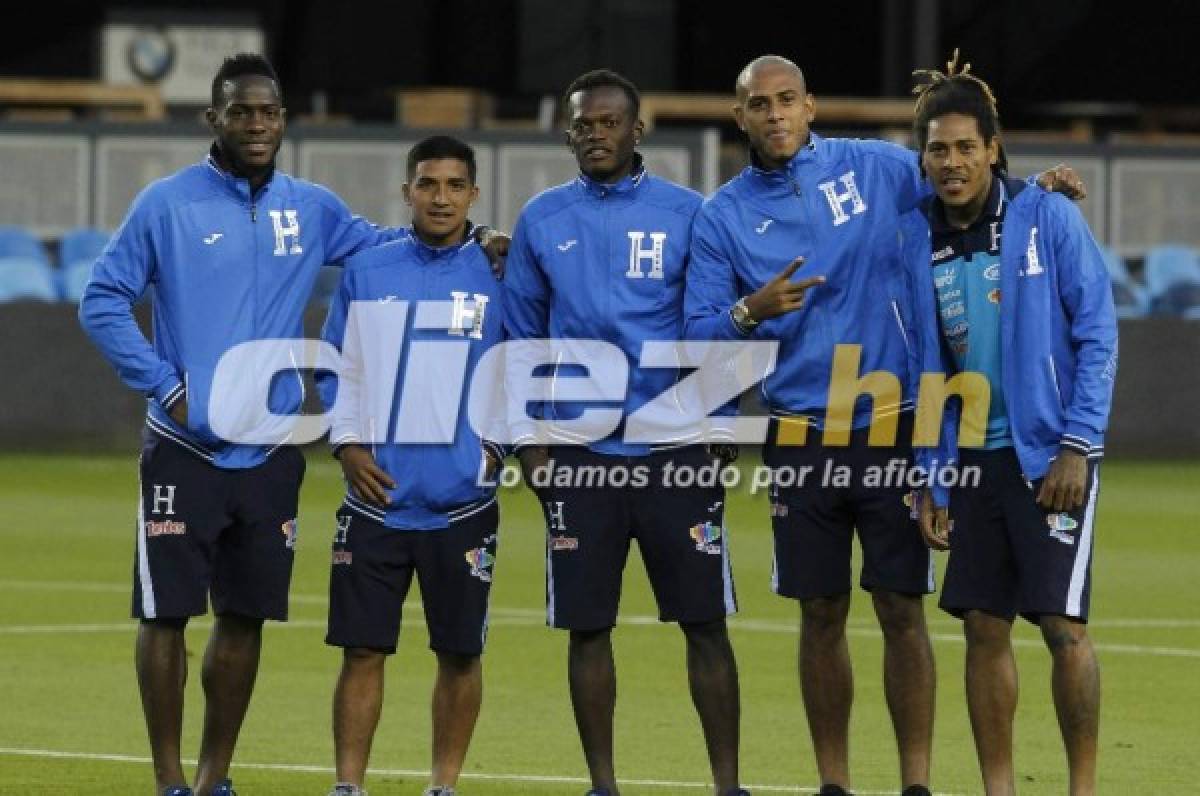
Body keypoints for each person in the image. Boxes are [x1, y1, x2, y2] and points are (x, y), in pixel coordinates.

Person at [77, 54, 506, 796]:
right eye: (240, 111)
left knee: (244, 619)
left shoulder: (311, 209)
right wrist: (165, 386)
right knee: (167, 615)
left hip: (271, 454)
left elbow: (396, 242)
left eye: (268, 112)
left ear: (283, 120)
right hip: (186, 447)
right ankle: (169, 779)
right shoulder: (166, 205)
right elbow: (102, 300)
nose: (256, 124)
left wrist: (482, 238)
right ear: (214, 119)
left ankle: (213, 778)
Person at [683, 55, 1084, 796]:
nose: (774, 116)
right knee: (820, 610)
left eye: (786, 100)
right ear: (739, 117)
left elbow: (963, 180)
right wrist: (750, 312)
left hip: (899, 420)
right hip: (801, 432)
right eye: (758, 105)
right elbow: (699, 339)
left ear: (811, 105)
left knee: (902, 605)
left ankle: (916, 784)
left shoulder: (873, 167)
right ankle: (834, 782)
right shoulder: (723, 217)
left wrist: (1038, 199)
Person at [503, 69, 747, 796]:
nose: (596, 134)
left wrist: (722, 417)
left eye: (609, 122)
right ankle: (602, 785)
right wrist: (530, 446)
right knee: (587, 628)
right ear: (568, 132)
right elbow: (519, 339)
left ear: (637, 131)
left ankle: (727, 785)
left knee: (705, 624)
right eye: (583, 124)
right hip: (580, 455)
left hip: (674, 452)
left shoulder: (688, 213)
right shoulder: (542, 219)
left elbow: (712, 319)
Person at [903, 53, 1116, 796]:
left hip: (1047, 458)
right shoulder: (915, 238)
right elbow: (923, 365)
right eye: (938, 149)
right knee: (983, 628)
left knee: (1063, 628)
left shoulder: (1046, 216)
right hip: (969, 463)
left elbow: (1097, 332)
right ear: (922, 157)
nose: (952, 162)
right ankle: (1001, 791)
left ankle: (1080, 789)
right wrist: (931, 478)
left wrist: (1076, 445)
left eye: (967, 146)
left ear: (993, 149)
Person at [318, 135, 506, 796]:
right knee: (363, 650)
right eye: (428, 184)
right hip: (377, 502)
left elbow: (524, 369)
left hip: (463, 503)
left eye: (455, 185)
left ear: (474, 195)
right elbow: (336, 367)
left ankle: (443, 786)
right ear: (407, 192)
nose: (441, 197)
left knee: (460, 653)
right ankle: (348, 786)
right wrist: (346, 446)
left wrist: (496, 450)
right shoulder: (369, 270)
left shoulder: (500, 272)